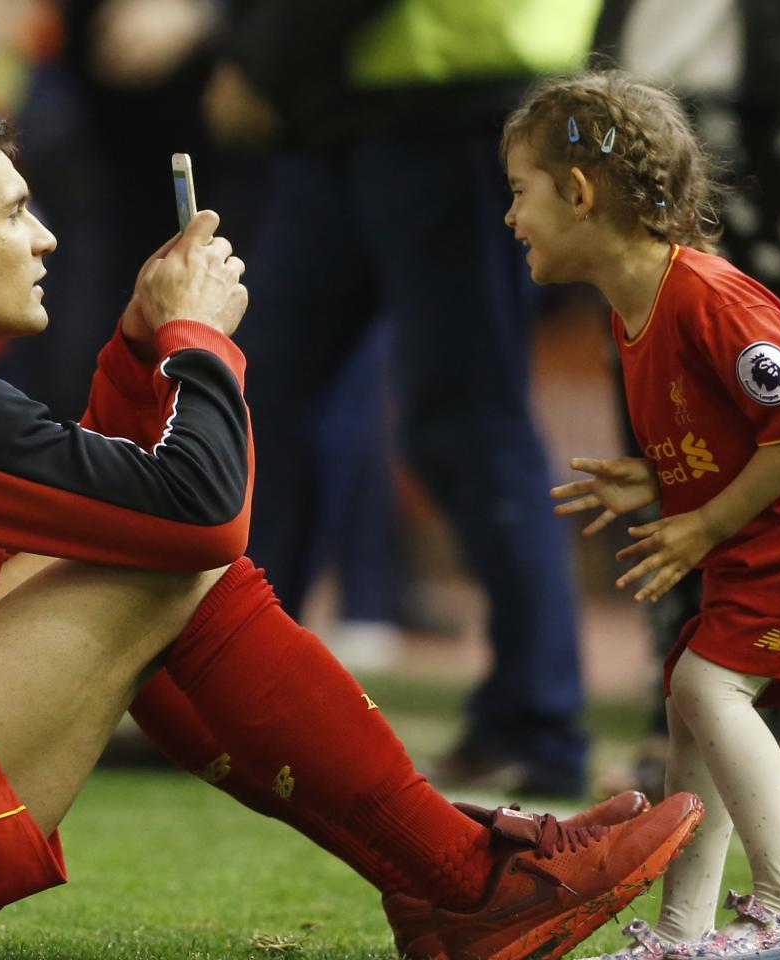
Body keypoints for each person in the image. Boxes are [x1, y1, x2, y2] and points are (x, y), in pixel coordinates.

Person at [0, 92, 705, 960]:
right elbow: (198, 518)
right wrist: (196, 341)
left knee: (137, 553)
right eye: (13, 214)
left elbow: (107, 498)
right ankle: (461, 883)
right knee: (167, 571)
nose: (42, 239)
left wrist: (135, 354)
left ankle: (451, 877)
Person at [502, 73, 780, 958]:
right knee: (690, 697)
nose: (511, 217)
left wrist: (702, 526)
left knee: (707, 687)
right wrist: (661, 484)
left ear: (579, 195)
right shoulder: (636, 308)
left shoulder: (707, 297)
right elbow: (739, 438)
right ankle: (681, 933)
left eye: (521, 192)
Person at [204, 0, 594, 797]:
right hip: (354, 106)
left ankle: (537, 722)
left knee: (469, 420)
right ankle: (236, 699)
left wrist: (260, 61)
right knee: (263, 400)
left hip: (453, 95)